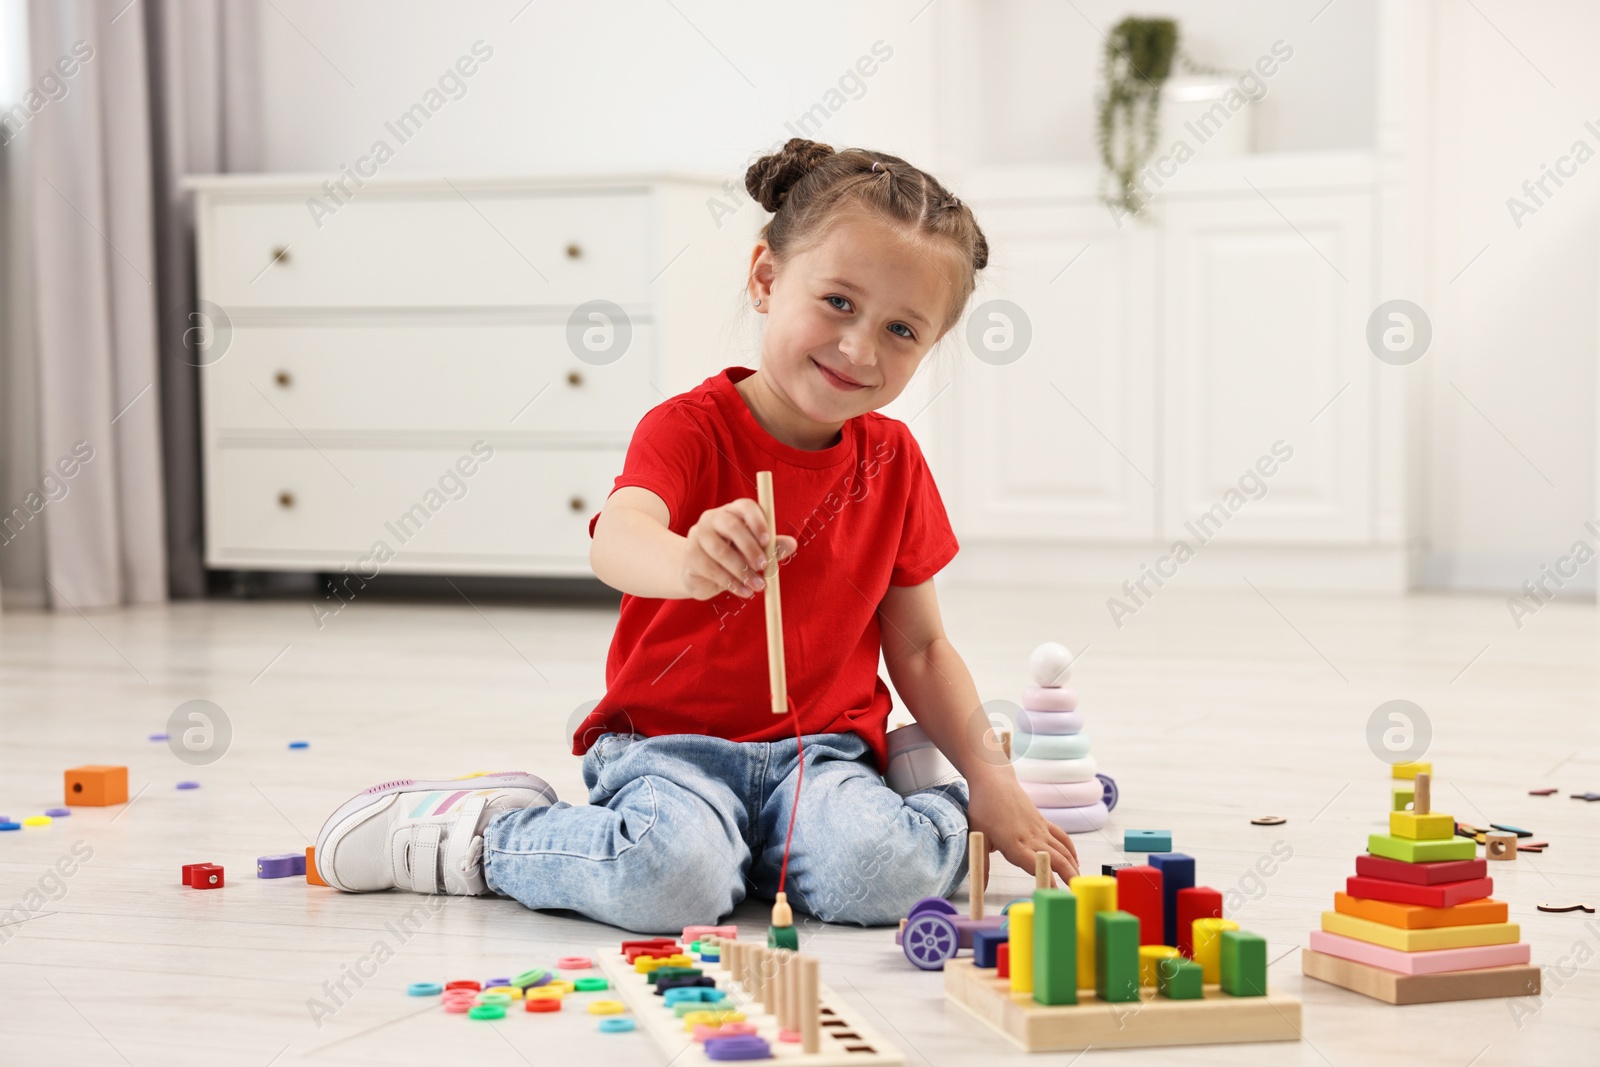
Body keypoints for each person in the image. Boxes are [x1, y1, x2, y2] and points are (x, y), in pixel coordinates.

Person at [312, 138, 1079, 933]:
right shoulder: (688, 429)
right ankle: (478, 836)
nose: (858, 349)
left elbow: (919, 648)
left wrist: (990, 778)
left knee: (881, 877)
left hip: (824, 752)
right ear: (766, 279)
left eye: (901, 330)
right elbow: (617, 536)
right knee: (667, 884)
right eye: (839, 303)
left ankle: (934, 804)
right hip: (669, 748)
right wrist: (687, 559)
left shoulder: (893, 462)